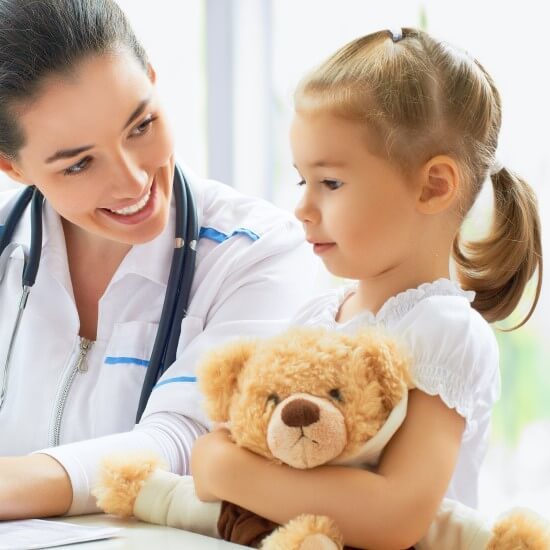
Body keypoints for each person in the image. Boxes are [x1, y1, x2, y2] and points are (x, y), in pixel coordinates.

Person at [191, 27, 543, 549]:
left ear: (433, 186)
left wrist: (225, 470)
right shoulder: (317, 316)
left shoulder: (443, 332)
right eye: (301, 180)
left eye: (330, 183)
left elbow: (395, 516)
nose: (303, 208)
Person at [0, 0, 316, 520]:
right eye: (79, 164)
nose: (132, 181)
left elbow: (185, 442)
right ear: (13, 166)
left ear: (151, 78)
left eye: (141, 125)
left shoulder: (259, 252)